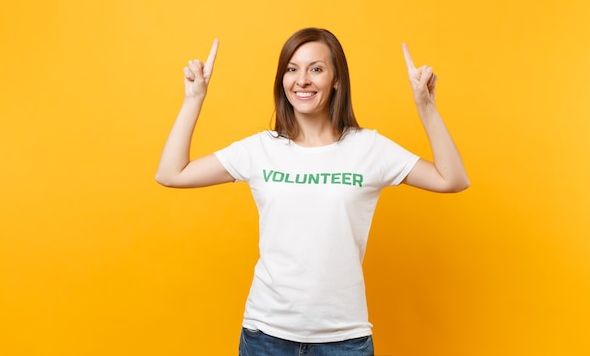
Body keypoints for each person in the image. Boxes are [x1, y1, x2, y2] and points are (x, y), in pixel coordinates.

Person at [156, 27, 469, 356]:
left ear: (336, 79)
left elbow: (452, 180)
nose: (301, 80)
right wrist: (194, 100)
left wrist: (426, 107)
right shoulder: (261, 149)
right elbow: (171, 173)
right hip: (266, 337)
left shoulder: (369, 148)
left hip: (344, 341)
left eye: (316, 69)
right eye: (292, 69)